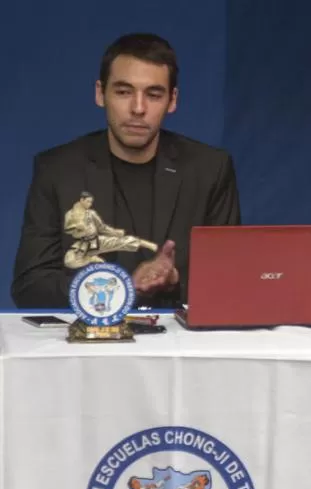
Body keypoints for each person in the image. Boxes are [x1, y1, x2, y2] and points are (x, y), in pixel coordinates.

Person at [11, 33, 241, 309]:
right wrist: (121, 285)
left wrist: (176, 279)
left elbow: (231, 282)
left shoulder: (210, 169)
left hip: (179, 342)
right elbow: (30, 285)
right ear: (100, 94)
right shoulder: (57, 169)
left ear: (172, 100)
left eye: (154, 95)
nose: (138, 108)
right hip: (87, 342)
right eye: (123, 92)